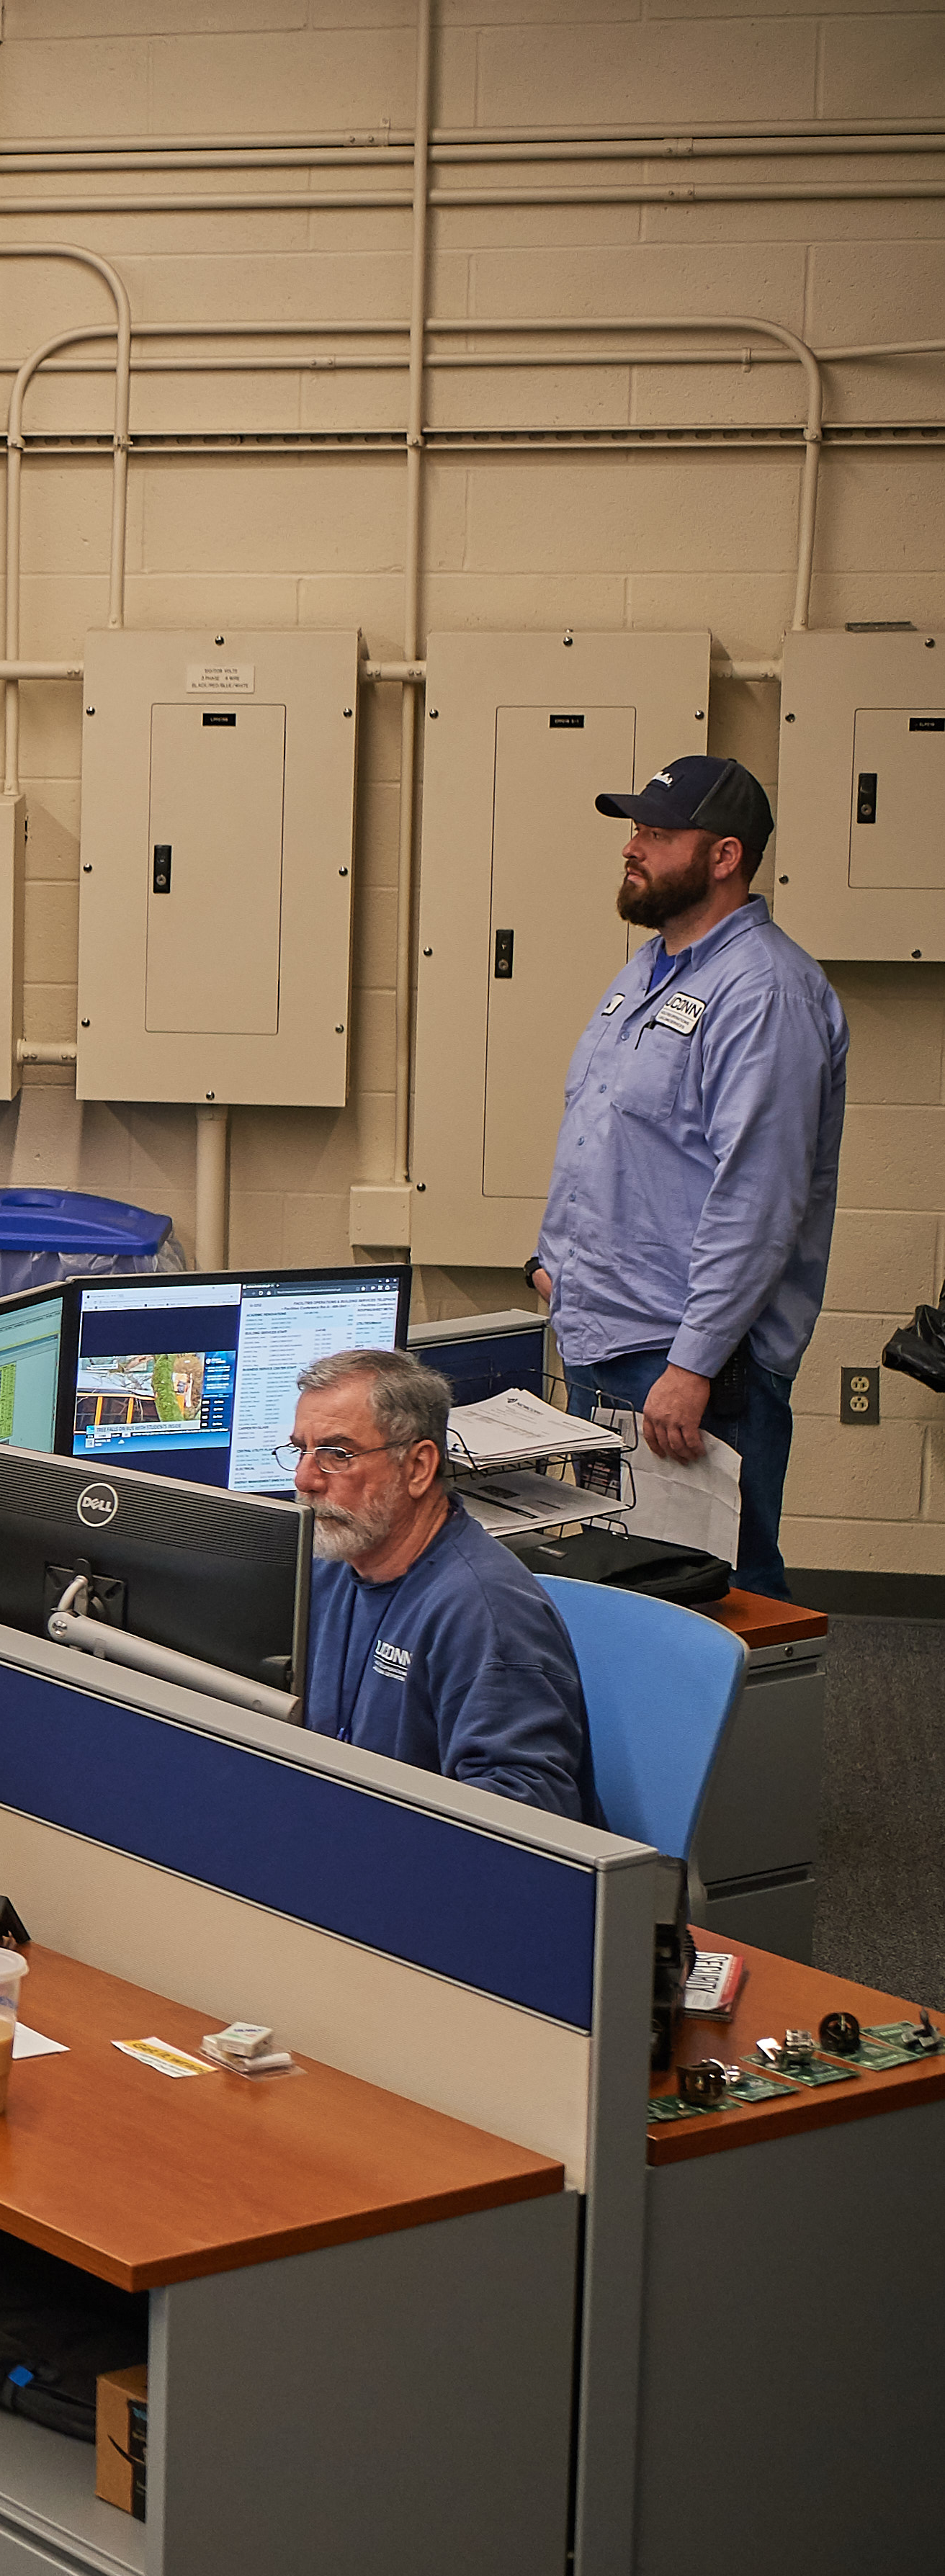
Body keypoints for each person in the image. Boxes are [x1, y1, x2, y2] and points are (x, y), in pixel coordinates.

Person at [529, 753, 846, 1599]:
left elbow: (758, 1198)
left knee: (717, 1600)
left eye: (657, 833)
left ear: (722, 856)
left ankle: (748, 1740)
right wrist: (551, 1258)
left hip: (688, 1365)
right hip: (609, 1339)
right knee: (625, 1586)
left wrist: (694, 1365)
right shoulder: (647, 969)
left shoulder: (764, 993)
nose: (632, 847)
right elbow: (604, 1131)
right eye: (634, 829)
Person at [285, 1350, 600, 1826]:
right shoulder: (325, 1568)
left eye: (336, 1454)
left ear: (416, 1467)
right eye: (300, 1450)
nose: (304, 1478)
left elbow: (524, 1824)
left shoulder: (485, 1613)